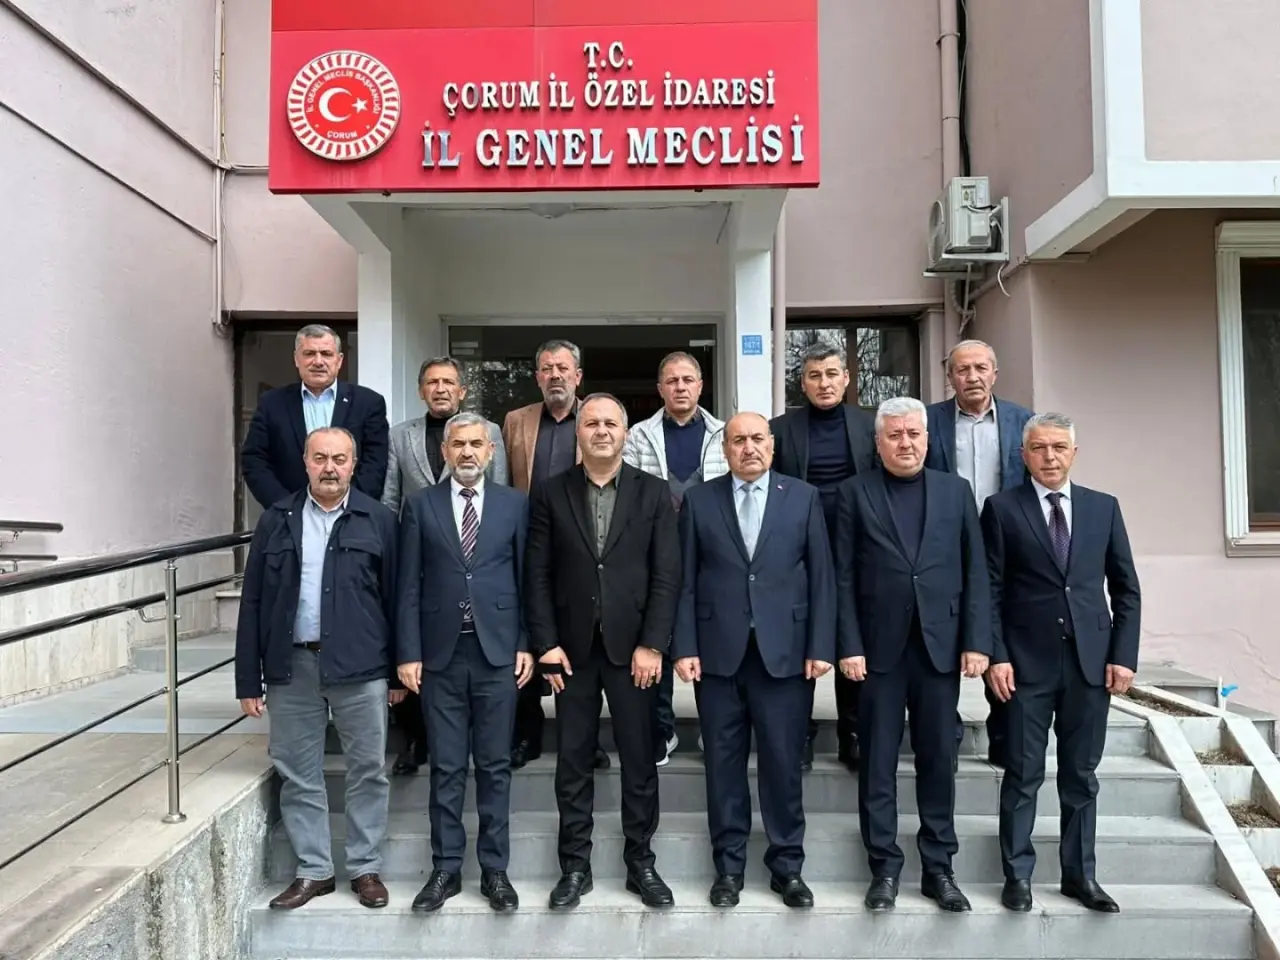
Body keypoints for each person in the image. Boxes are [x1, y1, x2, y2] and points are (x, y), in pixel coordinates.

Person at [834, 396, 991, 914]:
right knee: (877, 762)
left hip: (938, 649)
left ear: (928, 438)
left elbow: (975, 571)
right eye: (895, 435)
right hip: (877, 652)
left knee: (937, 760)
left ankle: (938, 868)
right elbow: (842, 577)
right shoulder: (853, 492)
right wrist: (848, 645)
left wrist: (977, 641)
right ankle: (884, 867)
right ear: (878, 442)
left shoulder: (955, 491)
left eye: (913, 434)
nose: (905, 443)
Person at [524, 393, 680, 910]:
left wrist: (653, 643)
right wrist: (545, 644)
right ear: (579, 432)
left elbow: (667, 575)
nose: (601, 431)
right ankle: (575, 866)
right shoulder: (551, 492)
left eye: (611, 423)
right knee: (573, 761)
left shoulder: (653, 493)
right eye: (591, 423)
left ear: (626, 432)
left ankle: (641, 863)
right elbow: (537, 574)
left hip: (634, 651)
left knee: (639, 760)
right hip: (570, 654)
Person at [234, 426, 400, 911]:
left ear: (354, 465)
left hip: (361, 668)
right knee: (299, 772)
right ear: (305, 462)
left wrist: (396, 672)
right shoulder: (276, 520)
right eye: (321, 458)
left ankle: (365, 868)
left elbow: (397, 599)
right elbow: (253, 601)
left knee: (368, 770)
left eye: (340, 459)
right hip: (292, 666)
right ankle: (314, 871)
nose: (330, 468)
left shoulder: (379, 519)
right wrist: (248, 678)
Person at [673, 412, 835, 909]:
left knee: (783, 765)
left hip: (785, 655)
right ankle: (729, 869)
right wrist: (685, 646)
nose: (749, 448)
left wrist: (820, 646)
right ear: (725, 449)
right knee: (722, 767)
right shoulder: (699, 500)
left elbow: (822, 576)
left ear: (772, 445)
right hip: (717, 655)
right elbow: (685, 579)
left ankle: (787, 868)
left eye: (757, 439)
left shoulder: (803, 497)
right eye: (738, 440)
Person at [981, 412, 1140, 914]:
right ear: (1023, 455)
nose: (1049, 457)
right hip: (1025, 667)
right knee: (1022, 773)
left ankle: (1080, 876)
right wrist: (997, 656)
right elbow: (989, 591)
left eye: (1058, 447)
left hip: (1090, 665)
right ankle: (1018, 876)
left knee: (1081, 777)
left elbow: (1126, 588)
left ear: (1074, 453)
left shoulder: (1103, 508)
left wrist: (1123, 656)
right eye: (1039, 448)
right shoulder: (1001, 509)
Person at [395, 412, 534, 913]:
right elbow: (407, 585)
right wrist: (408, 652)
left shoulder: (515, 505)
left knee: (495, 766)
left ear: (491, 451)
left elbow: (527, 579)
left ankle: (495, 871)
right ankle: (446, 869)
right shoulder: (420, 505)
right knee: (447, 766)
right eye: (459, 445)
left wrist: (526, 642)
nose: (468, 452)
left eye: (477, 444)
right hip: (441, 656)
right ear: (445, 452)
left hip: (498, 654)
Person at [383, 356, 508, 777]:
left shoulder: (488, 433)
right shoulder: (400, 435)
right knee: (419, 654)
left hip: (474, 567)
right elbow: (390, 497)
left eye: (449, 382)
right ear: (422, 390)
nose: (440, 388)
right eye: (432, 382)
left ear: (462, 390)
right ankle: (415, 741)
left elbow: (499, 491)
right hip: (421, 558)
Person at [924, 339, 1033, 767]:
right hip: (944, 544)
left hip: (1005, 542)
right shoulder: (929, 421)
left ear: (994, 374)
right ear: (950, 376)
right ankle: (944, 732)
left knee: (1003, 638)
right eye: (963, 369)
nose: (972, 377)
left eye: (981, 368)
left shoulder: (1023, 422)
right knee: (943, 637)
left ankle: (1003, 736)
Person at [501, 340, 608, 772]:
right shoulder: (516, 421)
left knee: (582, 645)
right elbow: (503, 481)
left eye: (563, 368)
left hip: (583, 549)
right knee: (530, 638)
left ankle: (585, 740)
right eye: (547, 368)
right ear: (537, 377)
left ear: (578, 376)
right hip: (528, 544)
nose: (555, 375)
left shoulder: (597, 418)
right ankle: (526, 735)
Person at [769, 344, 875, 771]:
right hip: (799, 550)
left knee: (852, 637)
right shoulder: (780, 430)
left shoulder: (870, 426)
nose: (824, 383)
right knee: (801, 639)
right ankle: (801, 732)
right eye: (814, 375)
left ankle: (854, 732)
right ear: (803, 383)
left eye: (832, 374)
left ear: (846, 378)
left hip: (858, 548)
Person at [622, 350, 729, 766]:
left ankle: (714, 728)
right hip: (656, 550)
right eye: (672, 381)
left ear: (700, 386)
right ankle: (662, 730)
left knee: (711, 638)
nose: (680, 387)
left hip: (712, 552)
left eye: (687, 380)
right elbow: (630, 490)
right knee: (659, 635)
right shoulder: (639, 435)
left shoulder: (724, 434)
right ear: (660, 389)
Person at [241, 324, 389, 508]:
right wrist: (285, 507)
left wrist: (350, 508)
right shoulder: (272, 403)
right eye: (309, 353)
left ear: (339, 360)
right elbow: (254, 460)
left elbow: (375, 463)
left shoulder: (368, 403)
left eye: (326, 354)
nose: (318, 361)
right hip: (288, 515)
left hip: (352, 515)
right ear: (296, 359)